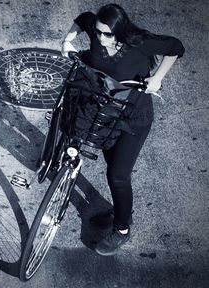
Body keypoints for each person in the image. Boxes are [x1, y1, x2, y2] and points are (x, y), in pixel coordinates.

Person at [61, 4, 185, 256]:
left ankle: (122, 228)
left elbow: (175, 48)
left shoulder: (138, 42)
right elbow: (82, 18)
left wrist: (157, 78)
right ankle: (120, 210)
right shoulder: (95, 33)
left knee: (118, 175)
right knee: (111, 165)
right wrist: (67, 41)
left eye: (108, 34)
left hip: (134, 118)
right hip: (107, 114)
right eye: (98, 32)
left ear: (120, 31)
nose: (101, 38)